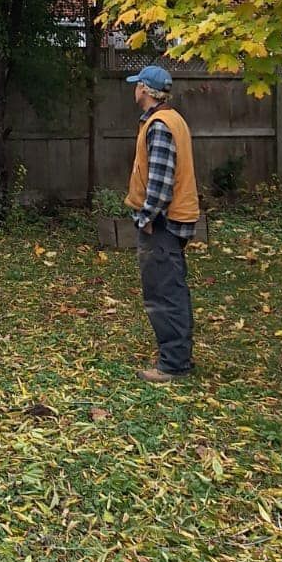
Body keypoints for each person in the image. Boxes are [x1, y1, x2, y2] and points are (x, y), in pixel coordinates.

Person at [123, 64, 199, 383]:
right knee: (171, 289)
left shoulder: (159, 125)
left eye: (136, 85)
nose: (133, 90)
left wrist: (145, 217)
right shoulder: (172, 119)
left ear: (144, 89)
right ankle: (178, 357)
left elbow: (160, 182)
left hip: (162, 224)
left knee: (163, 292)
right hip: (172, 220)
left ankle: (172, 364)